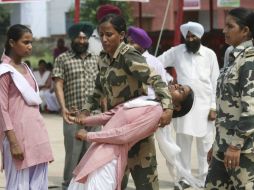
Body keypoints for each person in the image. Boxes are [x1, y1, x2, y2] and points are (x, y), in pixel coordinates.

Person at [70, 14, 174, 190]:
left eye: (109, 34)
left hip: (136, 131)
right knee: (115, 182)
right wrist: (85, 110)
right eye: (101, 34)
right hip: (115, 129)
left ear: (122, 35)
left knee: (146, 183)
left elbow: (155, 79)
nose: (104, 39)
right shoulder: (103, 58)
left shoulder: (129, 55)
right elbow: (98, 89)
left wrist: (168, 107)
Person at [67, 83, 193, 190]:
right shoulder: (148, 100)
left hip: (110, 158)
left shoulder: (157, 112)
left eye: (180, 90)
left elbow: (124, 134)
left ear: (176, 107)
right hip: (99, 150)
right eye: (179, 84)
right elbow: (111, 115)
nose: (176, 85)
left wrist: (89, 135)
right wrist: (82, 120)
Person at [158, 21, 220, 189]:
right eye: (188, 36)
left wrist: (214, 106)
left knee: (205, 144)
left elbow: (216, 81)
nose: (190, 39)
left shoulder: (209, 54)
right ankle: (183, 179)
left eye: (194, 36)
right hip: (185, 106)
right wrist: (168, 80)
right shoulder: (177, 51)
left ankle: (204, 179)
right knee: (182, 144)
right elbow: (157, 63)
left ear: (200, 37)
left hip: (205, 106)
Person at [205, 8, 254, 189]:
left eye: (229, 26)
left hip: (243, 150)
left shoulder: (249, 61)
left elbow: (251, 109)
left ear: (245, 31)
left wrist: (235, 146)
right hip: (223, 146)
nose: (224, 31)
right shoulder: (234, 58)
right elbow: (225, 108)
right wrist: (216, 144)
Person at [0, 24, 54, 189]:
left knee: (38, 182)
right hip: (17, 136)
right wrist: (13, 141)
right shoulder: (4, 71)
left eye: (31, 42)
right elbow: (1, 109)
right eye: (25, 42)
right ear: (11, 42)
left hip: (36, 134)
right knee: (19, 184)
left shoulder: (26, 68)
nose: (30, 46)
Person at [119, 25, 173, 189]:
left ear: (141, 45)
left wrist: (166, 110)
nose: (127, 44)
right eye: (127, 41)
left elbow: (163, 88)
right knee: (118, 175)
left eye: (131, 41)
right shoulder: (122, 59)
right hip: (121, 122)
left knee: (145, 176)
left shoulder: (153, 63)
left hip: (142, 122)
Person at [52, 22, 100, 190]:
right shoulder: (62, 59)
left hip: (94, 115)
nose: (81, 41)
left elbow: (102, 84)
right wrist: (62, 107)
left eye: (84, 38)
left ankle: (88, 186)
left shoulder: (97, 57)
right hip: (73, 114)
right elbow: (58, 83)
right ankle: (67, 186)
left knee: (92, 153)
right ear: (72, 39)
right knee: (73, 154)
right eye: (78, 38)